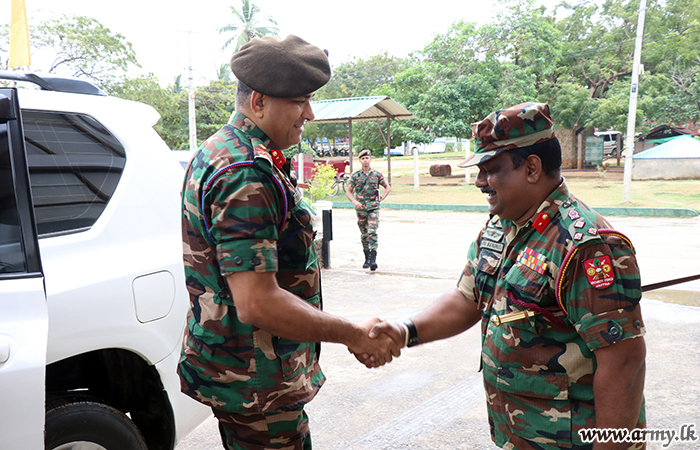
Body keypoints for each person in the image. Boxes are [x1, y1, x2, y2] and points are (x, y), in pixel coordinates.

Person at [367, 102, 647, 450]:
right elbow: (467, 298)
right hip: (520, 434)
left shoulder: (584, 245)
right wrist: (405, 330)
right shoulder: (502, 226)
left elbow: (624, 362)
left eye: (491, 169)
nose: (480, 182)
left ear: (532, 168)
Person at [177, 35, 400, 450]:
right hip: (255, 379)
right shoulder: (244, 172)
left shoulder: (223, 149)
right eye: (300, 102)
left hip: (241, 369)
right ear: (259, 101)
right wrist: (353, 333)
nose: (309, 114)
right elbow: (258, 302)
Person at [346, 148, 391, 270]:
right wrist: (354, 201)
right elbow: (349, 191)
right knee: (364, 234)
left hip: (373, 207)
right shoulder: (355, 175)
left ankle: (373, 259)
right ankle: (367, 258)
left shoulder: (376, 174)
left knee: (372, 231)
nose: (365, 160)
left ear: (370, 159)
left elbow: (387, 187)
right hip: (361, 208)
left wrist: (382, 197)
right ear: (360, 160)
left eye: (367, 158)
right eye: (363, 158)